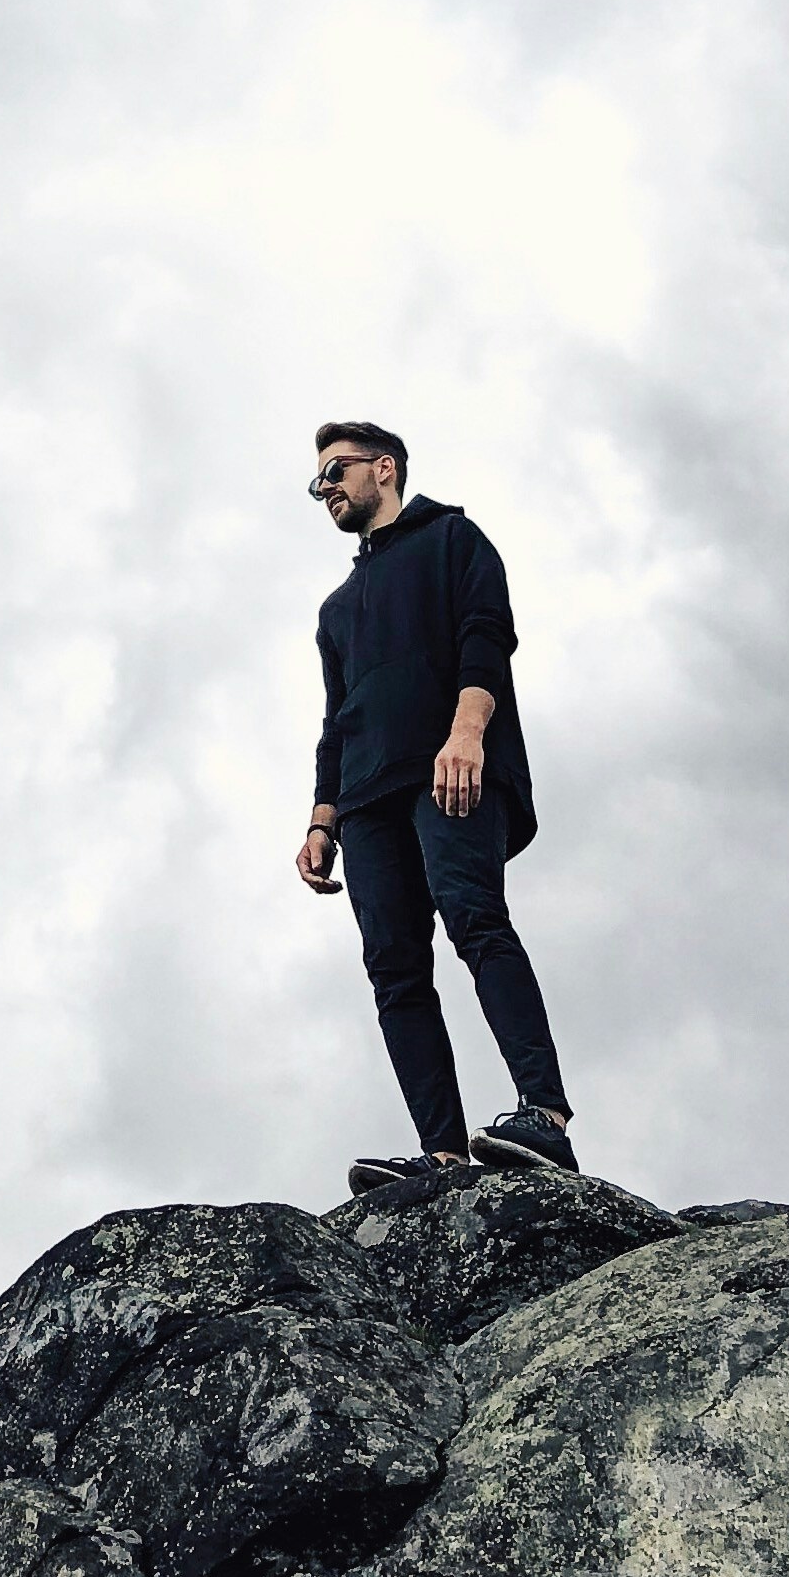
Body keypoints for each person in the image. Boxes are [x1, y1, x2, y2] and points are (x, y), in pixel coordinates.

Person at [294, 418, 579, 1193]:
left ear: (382, 470)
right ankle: (443, 1157)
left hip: (450, 769)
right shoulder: (335, 607)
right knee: (392, 970)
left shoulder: (453, 539)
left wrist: (465, 733)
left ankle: (543, 1117)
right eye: (316, 480)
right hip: (365, 800)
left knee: (475, 922)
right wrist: (323, 818)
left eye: (335, 471)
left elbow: (486, 638)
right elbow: (335, 718)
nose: (324, 489)